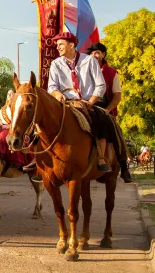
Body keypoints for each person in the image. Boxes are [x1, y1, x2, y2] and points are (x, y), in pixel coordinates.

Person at [47, 32, 113, 173]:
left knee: (103, 120)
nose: (58, 48)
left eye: (61, 44)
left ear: (71, 45)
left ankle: (102, 157)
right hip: (66, 103)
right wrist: (57, 94)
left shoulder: (89, 61)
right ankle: (41, 163)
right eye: (57, 45)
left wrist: (91, 102)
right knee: (43, 122)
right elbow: (51, 87)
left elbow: (100, 85)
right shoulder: (55, 64)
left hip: (88, 102)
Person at [86, 42, 133, 183]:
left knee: (114, 131)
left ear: (103, 54)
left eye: (97, 53)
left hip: (103, 106)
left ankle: (123, 166)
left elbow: (117, 96)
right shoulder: (83, 70)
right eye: (91, 53)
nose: (94, 55)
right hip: (83, 103)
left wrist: (108, 110)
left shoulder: (112, 73)